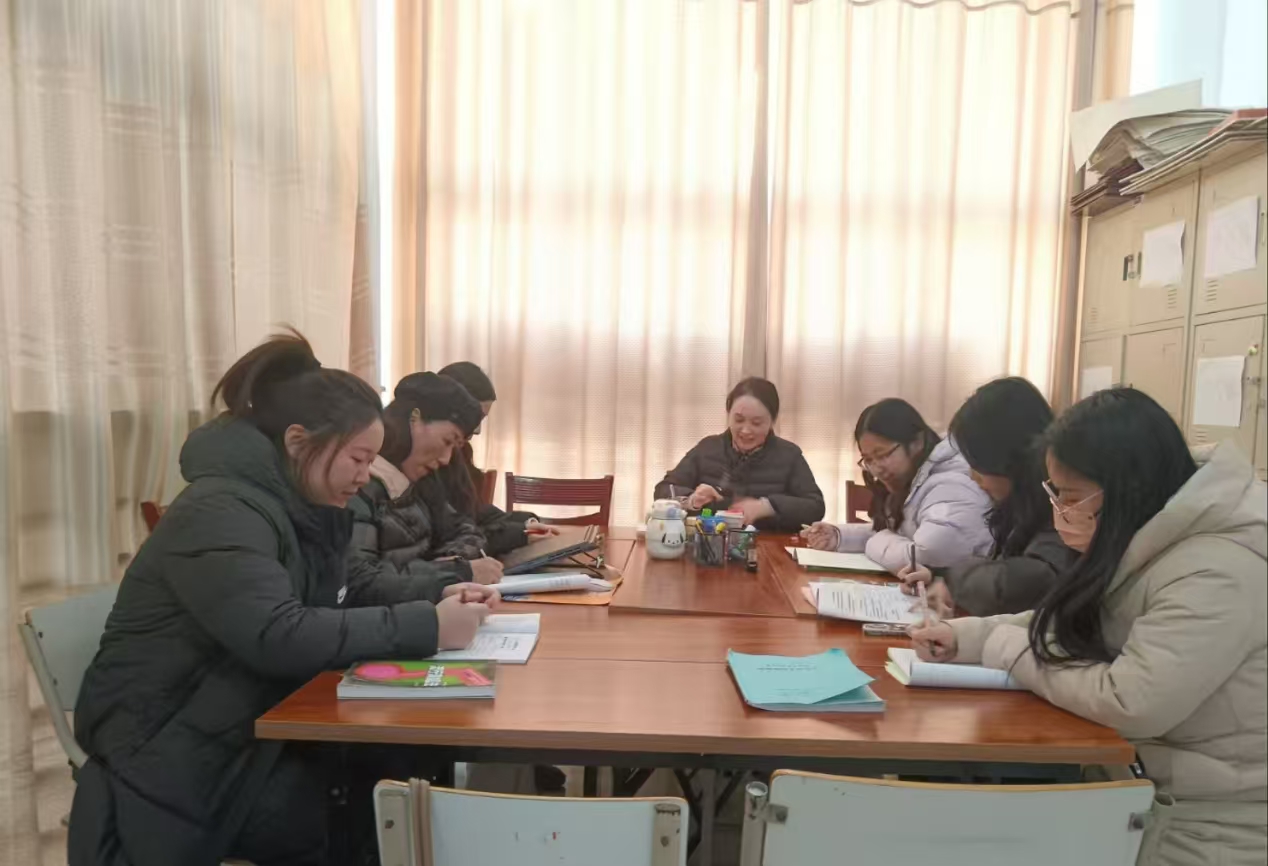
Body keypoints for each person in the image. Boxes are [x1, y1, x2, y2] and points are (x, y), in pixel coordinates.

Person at [68, 332, 497, 866]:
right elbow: (278, 633)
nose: (365, 476)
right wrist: (426, 627)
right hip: (172, 747)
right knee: (370, 793)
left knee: (404, 761)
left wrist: (439, 592)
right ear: (298, 442)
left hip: (241, 715)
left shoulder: (299, 504)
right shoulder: (221, 510)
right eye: (358, 458)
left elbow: (348, 590)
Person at [912, 389, 1267, 866]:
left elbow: (1132, 701)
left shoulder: (1215, 570)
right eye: (1054, 493)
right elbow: (1069, 619)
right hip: (1140, 790)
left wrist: (1003, 648)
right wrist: (969, 637)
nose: (1059, 509)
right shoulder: (1150, 533)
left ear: (1126, 487)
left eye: (1070, 496)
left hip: (1209, 826)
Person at [899, 377, 1077, 616]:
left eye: (978, 464)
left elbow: (1022, 583)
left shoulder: (1063, 504)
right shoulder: (1018, 504)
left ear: (1008, 459)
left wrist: (952, 580)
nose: (973, 477)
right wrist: (937, 576)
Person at [348, 372, 505, 586]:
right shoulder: (357, 486)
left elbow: (465, 530)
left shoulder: (421, 482)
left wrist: (451, 562)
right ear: (415, 418)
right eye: (447, 441)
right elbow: (363, 581)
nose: (446, 459)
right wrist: (453, 572)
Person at [801, 398, 991, 574]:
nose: (877, 469)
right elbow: (900, 535)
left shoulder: (952, 483)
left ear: (917, 442)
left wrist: (874, 542)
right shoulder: (912, 477)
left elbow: (927, 556)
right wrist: (839, 536)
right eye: (868, 460)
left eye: (883, 455)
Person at [654, 377, 824, 531]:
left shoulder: (789, 455)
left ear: (772, 421)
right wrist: (691, 499)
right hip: (710, 546)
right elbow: (662, 490)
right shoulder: (708, 448)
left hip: (769, 547)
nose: (745, 430)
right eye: (739, 420)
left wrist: (767, 506)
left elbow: (815, 507)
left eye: (756, 423)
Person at [436, 361, 559, 555]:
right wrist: (520, 534)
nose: (477, 430)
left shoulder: (461, 452)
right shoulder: (429, 460)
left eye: (481, 420)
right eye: (473, 419)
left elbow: (476, 511)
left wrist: (526, 523)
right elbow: (454, 533)